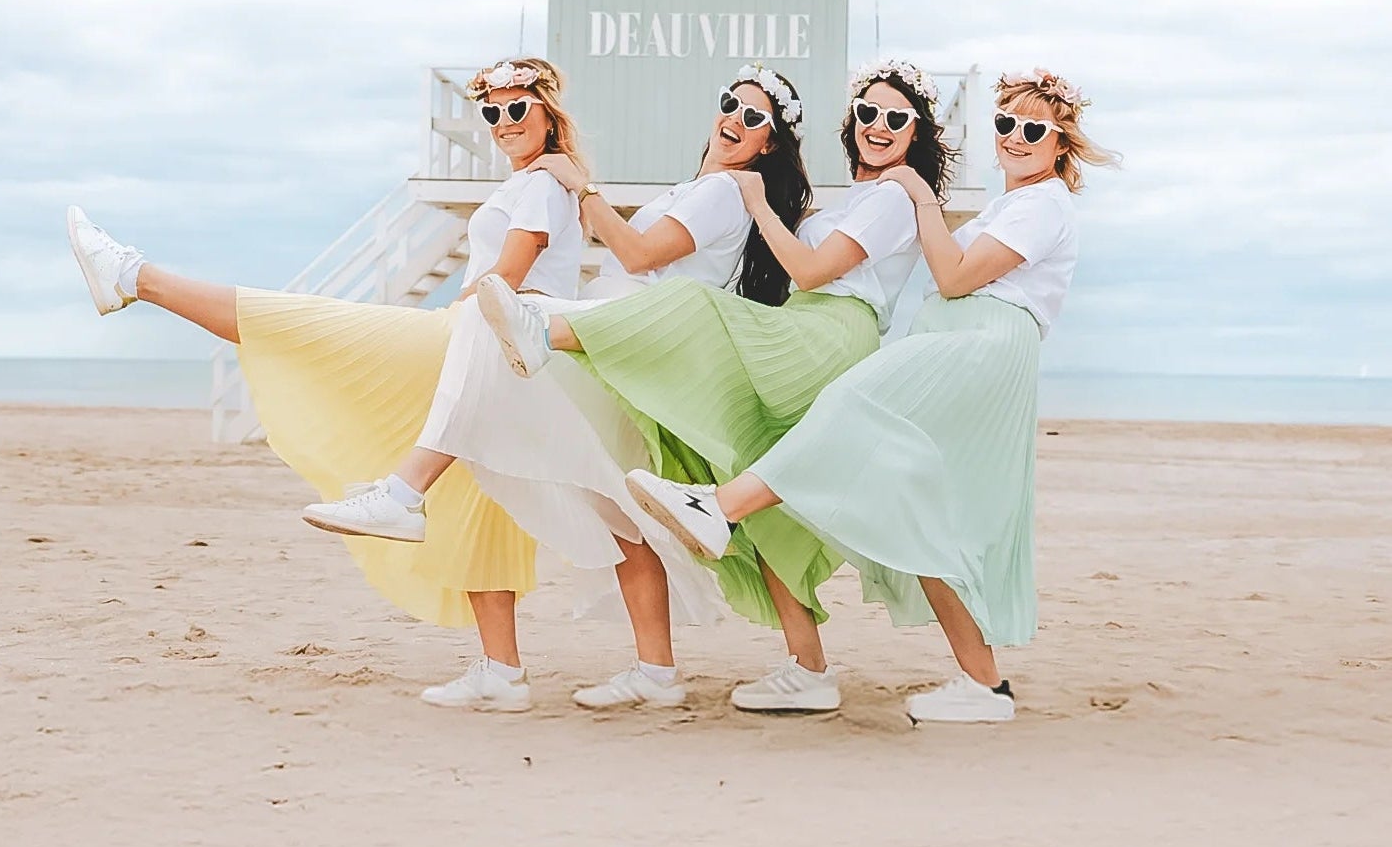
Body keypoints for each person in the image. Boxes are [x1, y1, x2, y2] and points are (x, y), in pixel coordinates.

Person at [64, 57, 583, 712]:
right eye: (492, 112)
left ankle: (135, 277)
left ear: (548, 113)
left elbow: (504, 282)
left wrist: (466, 311)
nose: (504, 123)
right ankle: (501, 672)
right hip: (500, 353)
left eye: (518, 109)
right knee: (477, 507)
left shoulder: (540, 186)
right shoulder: (544, 184)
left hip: (479, 336)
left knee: (306, 326)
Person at [626, 70, 1118, 722]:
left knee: (852, 406)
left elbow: (954, 275)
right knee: (924, 510)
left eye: (1035, 130)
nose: (1017, 138)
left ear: (1061, 145)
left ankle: (722, 506)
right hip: (964, 340)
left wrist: (922, 200)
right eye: (1006, 125)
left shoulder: (1043, 203)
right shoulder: (1013, 204)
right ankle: (983, 685)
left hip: (978, 346)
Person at [318, 66, 813, 712]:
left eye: (754, 119)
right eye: (730, 105)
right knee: (616, 511)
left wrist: (585, 189)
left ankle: (406, 491)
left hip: (627, 340)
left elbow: (637, 257)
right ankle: (656, 674)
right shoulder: (703, 187)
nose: (734, 121)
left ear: (769, 143)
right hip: (614, 340)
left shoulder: (720, 193)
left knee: (484, 321)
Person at [481, 59, 948, 713]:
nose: (877, 125)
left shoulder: (894, 195)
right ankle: (808, 669)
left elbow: (811, 272)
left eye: (895, 117)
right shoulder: (861, 199)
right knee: (766, 506)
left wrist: (746, 198)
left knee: (695, 307)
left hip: (825, 333)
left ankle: (544, 334)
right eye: (868, 112)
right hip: (800, 326)